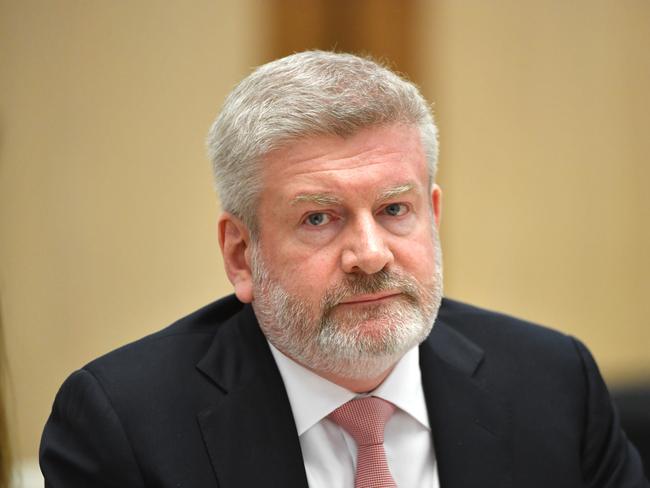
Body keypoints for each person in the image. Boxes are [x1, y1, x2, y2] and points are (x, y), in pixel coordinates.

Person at [40, 51, 648, 487]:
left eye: (394, 210)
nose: (371, 255)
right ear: (240, 253)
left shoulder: (555, 384)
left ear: (432, 215)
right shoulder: (123, 424)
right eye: (319, 219)